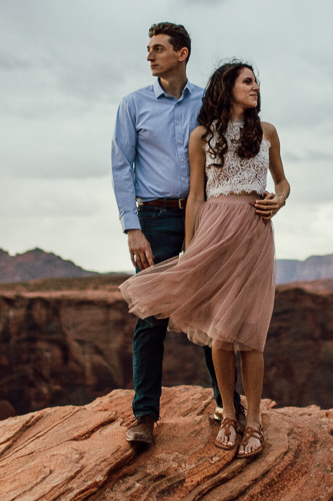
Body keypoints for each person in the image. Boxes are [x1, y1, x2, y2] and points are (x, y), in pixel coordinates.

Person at [119, 61, 289, 458]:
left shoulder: (268, 133)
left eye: (256, 82)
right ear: (227, 87)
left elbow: (282, 181)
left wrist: (279, 199)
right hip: (215, 231)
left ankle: (255, 422)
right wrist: (191, 246)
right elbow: (196, 195)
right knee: (219, 328)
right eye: (248, 81)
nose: (256, 87)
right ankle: (228, 414)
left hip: (254, 231)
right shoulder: (202, 136)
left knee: (250, 327)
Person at [112, 23, 243, 448]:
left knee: (211, 311)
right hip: (154, 219)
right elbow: (121, 167)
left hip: (205, 215)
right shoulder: (133, 105)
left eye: (158, 49)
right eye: (148, 49)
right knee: (151, 317)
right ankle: (145, 417)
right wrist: (132, 227)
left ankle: (227, 405)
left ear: (182, 53)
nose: (149, 56)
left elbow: (232, 146)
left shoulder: (208, 101)